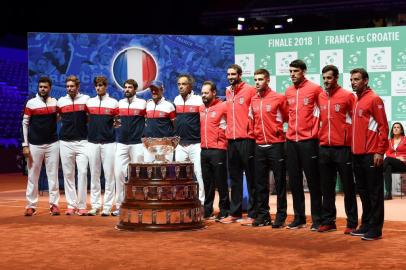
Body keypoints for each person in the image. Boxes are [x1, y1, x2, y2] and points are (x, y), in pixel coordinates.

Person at [316, 65, 358, 234]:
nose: (326, 81)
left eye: (329, 78)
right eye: (324, 78)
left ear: (336, 78)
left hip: (343, 148)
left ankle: (352, 223)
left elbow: (356, 121)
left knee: (348, 187)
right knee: (327, 188)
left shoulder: (348, 96)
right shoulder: (320, 96)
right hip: (325, 147)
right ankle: (329, 221)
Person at [350, 68, 389, 241]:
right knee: (363, 192)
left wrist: (380, 151)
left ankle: (375, 228)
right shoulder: (357, 101)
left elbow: (383, 127)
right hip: (357, 154)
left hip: (371, 154)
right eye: (351, 79)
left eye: (356, 79)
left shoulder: (374, 99)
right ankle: (365, 223)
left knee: (374, 193)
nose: (353, 82)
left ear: (365, 80)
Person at [285, 59, 323, 230]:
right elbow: (288, 115)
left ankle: (317, 219)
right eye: (290, 71)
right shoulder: (288, 91)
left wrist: (314, 132)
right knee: (294, 182)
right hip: (291, 141)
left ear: (304, 71)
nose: (292, 74)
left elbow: (323, 112)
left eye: (295, 71)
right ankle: (299, 218)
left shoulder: (315, 89)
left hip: (309, 142)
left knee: (314, 182)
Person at [249, 69, 288, 227]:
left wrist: (278, 132)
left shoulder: (278, 98)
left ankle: (281, 216)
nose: (257, 82)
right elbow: (252, 121)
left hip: (276, 145)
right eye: (255, 79)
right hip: (259, 145)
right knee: (260, 184)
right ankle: (263, 215)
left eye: (260, 79)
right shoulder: (253, 100)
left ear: (268, 80)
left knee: (279, 183)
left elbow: (286, 117)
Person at [220, 64, 257, 225]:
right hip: (232, 140)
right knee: (234, 179)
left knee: (251, 178)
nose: (230, 77)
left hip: (247, 139)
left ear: (240, 75)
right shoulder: (228, 91)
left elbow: (255, 112)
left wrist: (251, 131)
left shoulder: (250, 90)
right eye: (228, 74)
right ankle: (234, 213)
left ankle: (253, 213)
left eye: (233, 74)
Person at [22, 76, 60, 216]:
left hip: (52, 144)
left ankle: (54, 205)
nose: (42, 89)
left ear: (50, 88)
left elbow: (58, 117)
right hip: (34, 145)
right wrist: (25, 145)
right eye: (40, 87)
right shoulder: (31, 103)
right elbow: (24, 124)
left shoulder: (55, 102)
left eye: (45, 87)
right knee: (33, 176)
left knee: (53, 175)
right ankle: (31, 206)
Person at [57, 75, 90, 216]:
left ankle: (82, 205)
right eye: (68, 86)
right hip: (65, 142)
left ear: (78, 87)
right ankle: (71, 205)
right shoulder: (61, 101)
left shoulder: (86, 99)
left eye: (72, 86)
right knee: (68, 174)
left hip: (83, 141)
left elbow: (90, 118)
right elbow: (57, 118)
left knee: (82, 173)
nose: (69, 88)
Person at [86, 76, 118, 216]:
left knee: (110, 176)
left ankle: (107, 207)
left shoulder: (113, 103)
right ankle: (95, 205)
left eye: (101, 85)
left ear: (106, 87)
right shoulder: (89, 103)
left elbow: (117, 122)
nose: (98, 88)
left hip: (109, 143)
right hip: (92, 143)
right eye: (96, 85)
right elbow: (87, 120)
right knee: (94, 175)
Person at [113, 79, 146, 216]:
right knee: (118, 173)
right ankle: (119, 205)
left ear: (135, 89)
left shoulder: (143, 104)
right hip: (121, 143)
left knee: (137, 176)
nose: (126, 89)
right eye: (125, 87)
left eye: (129, 87)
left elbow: (148, 120)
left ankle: (139, 204)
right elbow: (115, 121)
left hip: (137, 144)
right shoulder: (119, 104)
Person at [199, 80, 230, 221]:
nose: (204, 95)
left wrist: (223, 137)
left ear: (214, 93)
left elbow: (232, 123)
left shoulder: (223, 106)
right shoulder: (201, 108)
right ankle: (207, 209)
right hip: (204, 150)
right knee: (207, 183)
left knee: (221, 182)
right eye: (202, 93)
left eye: (206, 93)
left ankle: (225, 210)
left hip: (218, 149)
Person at [174, 74, 205, 204]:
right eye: (179, 84)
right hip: (181, 145)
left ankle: (201, 202)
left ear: (190, 85)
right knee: (180, 175)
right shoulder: (176, 100)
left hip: (196, 144)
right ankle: (183, 201)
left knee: (199, 174)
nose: (181, 86)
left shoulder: (199, 100)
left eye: (184, 84)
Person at [143, 80, 176, 162]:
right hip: (150, 144)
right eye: (152, 90)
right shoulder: (148, 104)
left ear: (162, 90)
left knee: (165, 173)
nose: (153, 92)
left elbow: (175, 125)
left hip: (165, 145)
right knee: (149, 172)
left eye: (156, 89)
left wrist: (170, 143)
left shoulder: (169, 105)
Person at [383, 122, 406, 200]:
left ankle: (377, 172)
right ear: (392, 130)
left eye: (398, 127)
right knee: (388, 167)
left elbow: (389, 156)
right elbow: (388, 153)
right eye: (394, 127)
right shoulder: (389, 141)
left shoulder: (405, 139)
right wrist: (397, 157)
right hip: (394, 164)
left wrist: (401, 158)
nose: (396, 129)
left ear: (401, 130)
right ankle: (388, 193)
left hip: (404, 164)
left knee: (387, 160)